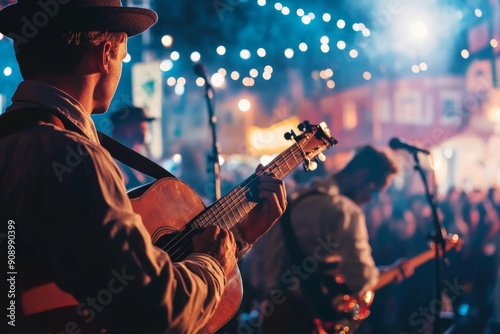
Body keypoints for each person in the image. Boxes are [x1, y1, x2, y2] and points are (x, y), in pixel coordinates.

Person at [0, 1, 286, 333]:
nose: (120, 67)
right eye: (122, 57)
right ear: (105, 55)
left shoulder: (17, 141)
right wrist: (213, 263)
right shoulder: (73, 158)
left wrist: (239, 236)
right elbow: (156, 309)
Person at [240, 145, 411, 333]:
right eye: (375, 191)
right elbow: (361, 280)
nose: (371, 199)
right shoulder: (344, 212)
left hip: (270, 313)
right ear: (361, 176)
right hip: (304, 320)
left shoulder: (299, 196)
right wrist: (391, 272)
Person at [109, 105, 156, 189]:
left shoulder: (139, 158)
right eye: (142, 122)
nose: (146, 127)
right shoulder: (111, 160)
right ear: (127, 128)